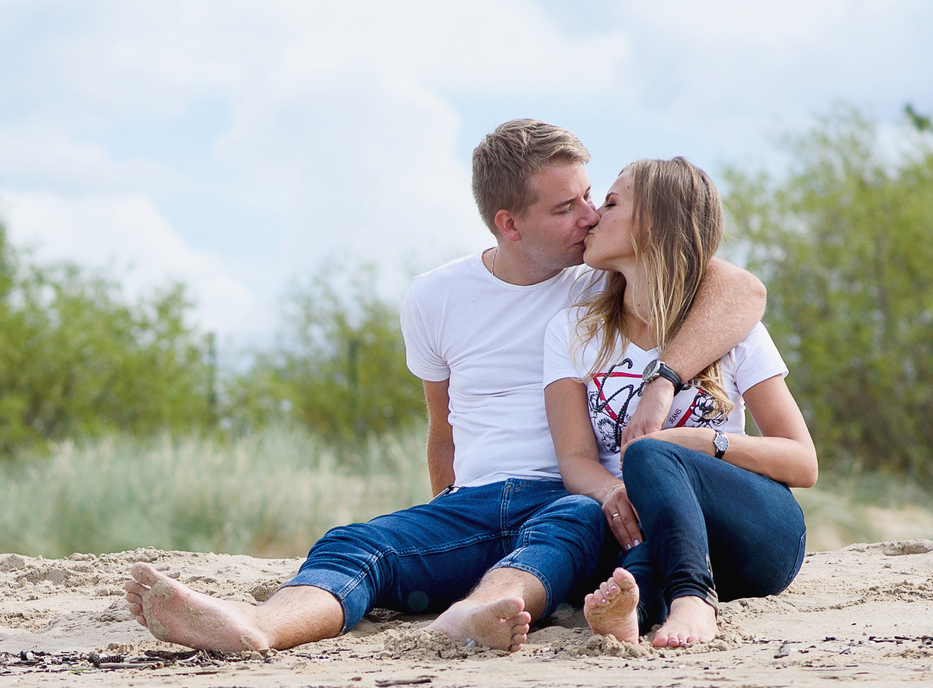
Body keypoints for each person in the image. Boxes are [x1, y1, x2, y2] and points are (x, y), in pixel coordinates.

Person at [126, 121, 766, 655]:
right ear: (509, 223)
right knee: (357, 542)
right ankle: (258, 626)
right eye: (566, 207)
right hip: (477, 500)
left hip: (574, 497)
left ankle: (481, 614)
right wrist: (441, 517)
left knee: (565, 526)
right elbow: (444, 430)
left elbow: (740, 290)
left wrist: (663, 382)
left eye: (591, 197)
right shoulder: (436, 296)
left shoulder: (603, 280)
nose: (590, 216)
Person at [546, 157, 817, 647]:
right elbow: (576, 460)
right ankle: (639, 609)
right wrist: (614, 494)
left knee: (650, 454)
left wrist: (690, 442)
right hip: (646, 534)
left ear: (652, 225)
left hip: (754, 534)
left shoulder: (734, 332)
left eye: (610, 203)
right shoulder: (573, 331)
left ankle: (694, 601)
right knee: (630, 539)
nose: (592, 217)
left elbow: (803, 463)